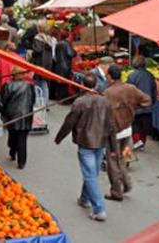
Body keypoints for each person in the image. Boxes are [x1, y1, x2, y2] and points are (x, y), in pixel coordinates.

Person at [55, 73, 117, 222]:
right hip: (100, 142)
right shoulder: (105, 101)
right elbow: (111, 126)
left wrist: (59, 138)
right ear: (96, 85)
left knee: (90, 175)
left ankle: (99, 209)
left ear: (82, 84)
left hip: (85, 143)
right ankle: (84, 199)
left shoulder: (79, 102)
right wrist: (113, 147)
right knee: (92, 174)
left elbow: (69, 123)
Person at [103, 65, 151, 201]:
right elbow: (147, 100)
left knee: (112, 162)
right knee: (124, 159)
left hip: (114, 134)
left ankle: (117, 191)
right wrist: (133, 108)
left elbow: (104, 114)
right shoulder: (131, 89)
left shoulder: (108, 93)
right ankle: (127, 184)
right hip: (128, 131)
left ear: (110, 77)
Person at [0, 66, 35, 169]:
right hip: (26, 115)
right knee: (22, 139)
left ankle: (12, 151)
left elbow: (1, 102)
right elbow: (32, 100)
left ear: (13, 75)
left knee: (13, 135)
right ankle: (22, 162)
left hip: (11, 116)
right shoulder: (29, 86)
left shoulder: (8, 86)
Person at [127, 56, 157, 150]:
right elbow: (154, 91)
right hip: (147, 105)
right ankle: (142, 143)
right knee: (144, 126)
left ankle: (137, 141)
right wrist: (152, 102)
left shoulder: (132, 75)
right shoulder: (150, 75)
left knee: (135, 125)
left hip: (136, 105)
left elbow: (129, 91)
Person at [32, 20, 54, 105]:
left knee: (38, 83)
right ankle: (45, 102)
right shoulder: (49, 38)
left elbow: (37, 50)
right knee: (45, 84)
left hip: (40, 62)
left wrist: (32, 53)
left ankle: (39, 102)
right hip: (48, 63)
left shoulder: (38, 38)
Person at [53, 32, 76, 100]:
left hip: (58, 65)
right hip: (65, 65)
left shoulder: (58, 43)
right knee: (64, 83)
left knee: (60, 82)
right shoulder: (66, 44)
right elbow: (70, 54)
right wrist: (74, 51)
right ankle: (64, 98)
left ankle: (60, 97)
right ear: (68, 36)